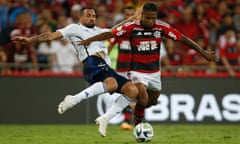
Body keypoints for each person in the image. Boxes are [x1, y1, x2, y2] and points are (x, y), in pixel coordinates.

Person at [79, 1, 218, 135]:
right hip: (137, 72)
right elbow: (110, 33)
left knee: (151, 101)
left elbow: (183, 38)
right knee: (142, 97)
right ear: (142, 15)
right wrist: (90, 40)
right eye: (147, 18)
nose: (150, 21)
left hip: (155, 73)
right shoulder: (132, 27)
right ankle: (138, 124)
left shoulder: (161, 27)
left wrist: (204, 53)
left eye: (153, 18)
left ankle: (134, 112)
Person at [12, 7, 140, 137]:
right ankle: (73, 99)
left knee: (132, 90)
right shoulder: (74, 29)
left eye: (94, 16)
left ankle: (105, 118)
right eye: (88, 15)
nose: (92, 18)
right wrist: (29, 40)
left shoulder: (100, 31)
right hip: (92, 62)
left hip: (106, 67)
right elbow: (50, 35)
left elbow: (114, 30)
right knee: (112, 84)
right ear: (81, 18)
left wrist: (130, 20)